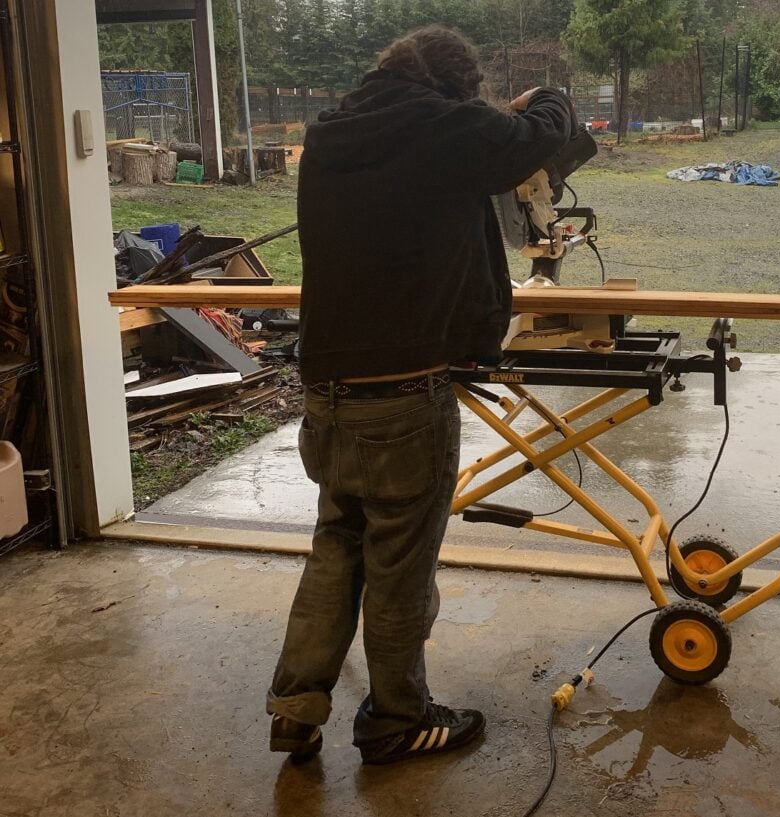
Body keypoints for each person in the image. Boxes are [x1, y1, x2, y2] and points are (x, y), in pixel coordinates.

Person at [265, 25, 574, 765]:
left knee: (336, 547)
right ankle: (398, 718)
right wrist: (546, 99)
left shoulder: (332, 133)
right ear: (454, 90)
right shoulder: (445, 127)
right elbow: (535, 135)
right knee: (400, 565)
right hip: (402, 394)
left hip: (325, 390)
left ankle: (296, 708)